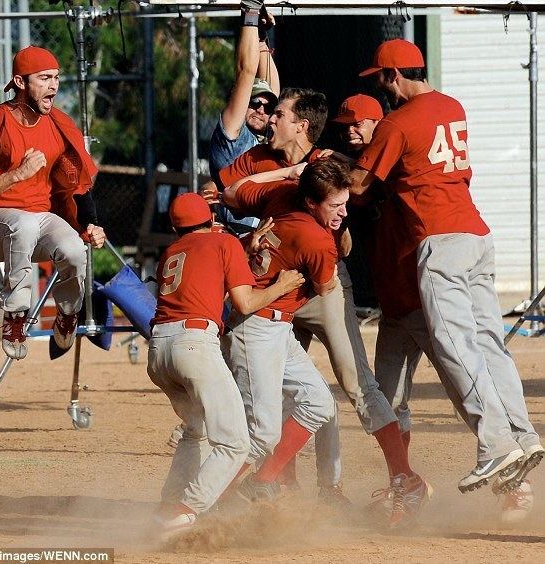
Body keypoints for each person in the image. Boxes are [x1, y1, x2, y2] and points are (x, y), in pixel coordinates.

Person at [220, 89, 427, 526]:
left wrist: (311, 188)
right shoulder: (263, 161)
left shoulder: (331, 165)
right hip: (277, 296)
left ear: (301, 126)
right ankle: (280, 486)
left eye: (278, 114)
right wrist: (290, 175)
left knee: (355, 383)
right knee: (290, 395)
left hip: (320, 286)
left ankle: (398, 478)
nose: (268, 119)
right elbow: (223, 190)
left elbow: (339, 243)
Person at [350, 38, 544, 495]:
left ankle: (496, 443)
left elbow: (358, 187)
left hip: (440, 240)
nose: (381, 88)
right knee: (490, 344)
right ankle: (522, 434)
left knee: (455, 343)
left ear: (393, 76)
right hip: (477, 233)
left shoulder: (397, 122)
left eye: (381, 78)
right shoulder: (451, 105)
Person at [148, 192, 304, 539]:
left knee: (196, 430)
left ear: (176, 228)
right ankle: (183, 512)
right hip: (194, 347)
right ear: (212, 219)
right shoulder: (224, 242)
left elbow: (206, 275)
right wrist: (281, 285)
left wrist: (245, 245)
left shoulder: (172, 252)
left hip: (159, 351)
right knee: (235, 444)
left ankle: (168, 504)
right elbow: (245, 302)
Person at [0, 45, 106, 361]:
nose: (53, 85)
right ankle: (14, 316)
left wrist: (90, 224)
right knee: (22, 223)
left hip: (37, 222)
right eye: (44, 78)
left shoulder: (60, 124)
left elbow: (77, 186)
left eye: (55, 78)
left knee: (74, 250)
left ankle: (67, 314)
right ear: (21, 82)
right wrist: (16, 175)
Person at [222, 157, 349, 511]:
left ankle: (260, 482)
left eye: (345, 203)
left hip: (275, 326)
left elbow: (234, 192)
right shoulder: (316, 238)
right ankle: (208, 502)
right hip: (257, 328)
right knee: (262, 433)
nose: (342, 212)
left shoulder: (283, 193)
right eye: (335, 205)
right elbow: (326, 288)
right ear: (311, 202)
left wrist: (288, 173)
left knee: (319, 403)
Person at [207, 0, 279, 234]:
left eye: (268, 109)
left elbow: (272, 88)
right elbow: (246, 73)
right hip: (238, 236)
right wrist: (250, 15)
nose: (261, 110)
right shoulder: (233, 135)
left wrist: (260, 36)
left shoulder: (268, 134)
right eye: (254, 103)